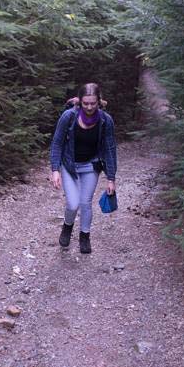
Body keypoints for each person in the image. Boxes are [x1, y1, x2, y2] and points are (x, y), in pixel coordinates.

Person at [49, 82, 117, 254]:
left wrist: (111, 178)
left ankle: (84, 236)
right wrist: (55, 169)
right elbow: (57, 143)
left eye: (93, 103)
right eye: (85, 103)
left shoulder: (105, 120)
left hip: (91, 165)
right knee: (72, 203)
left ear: (98, 101)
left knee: (85, 202)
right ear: (80, 101)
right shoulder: (68, 116)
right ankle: (67, 226)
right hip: (69, 165)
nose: (89, 107)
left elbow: (110, 149)